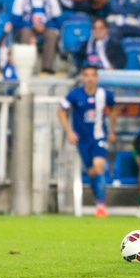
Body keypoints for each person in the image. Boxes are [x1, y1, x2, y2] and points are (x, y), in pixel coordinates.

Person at [57, 65, 119, 218]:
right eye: (87, 75)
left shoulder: (105, 94)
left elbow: (114, 109)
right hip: (82, 139)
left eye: (93, 75)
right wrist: (69, 131)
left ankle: (101, 205)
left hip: (99, 136)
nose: (90, 78)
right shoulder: (75, 94)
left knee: (99, 167)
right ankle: (98, 200)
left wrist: (111, 130)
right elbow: (61, 109)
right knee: (92, 172)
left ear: (97, 77)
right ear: (82, 77)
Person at [11, 0, 62, 74]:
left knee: (52, 34)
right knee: (25, 33)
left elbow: (59, 21)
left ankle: (47, 67)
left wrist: (45, 25)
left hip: (46, 27)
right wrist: (32, 24)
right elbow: (15, 21)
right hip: (28, 27)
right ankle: (27, 66)